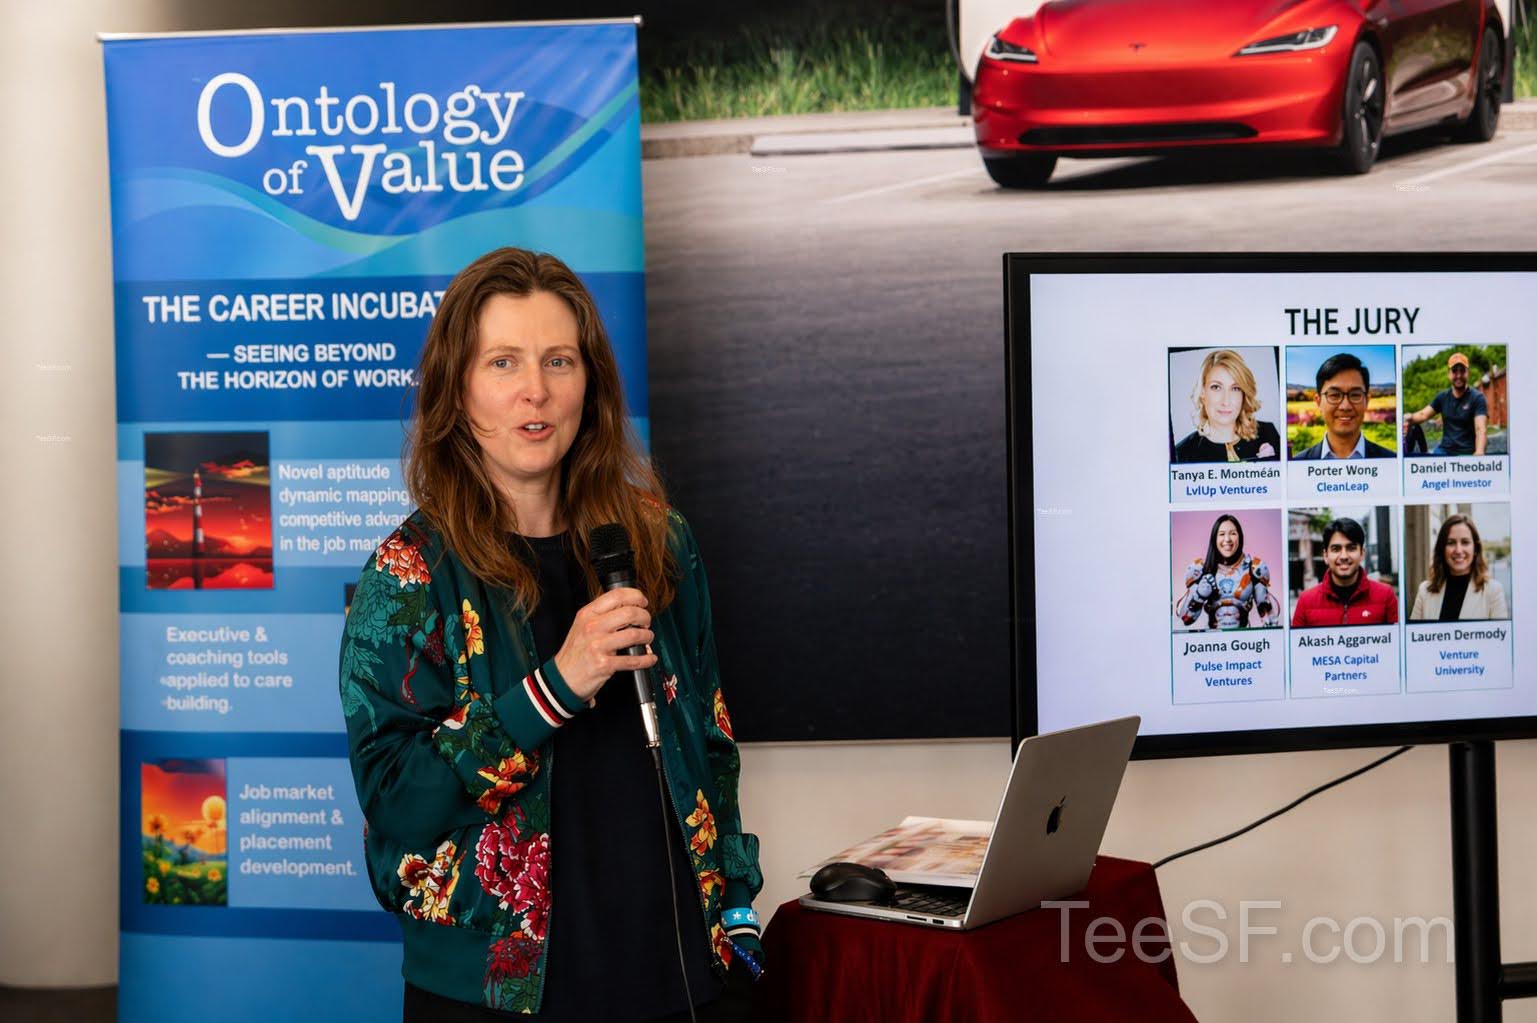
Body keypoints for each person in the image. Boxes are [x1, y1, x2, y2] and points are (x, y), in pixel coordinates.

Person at [339, 248, 762, 1022]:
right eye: (503, 361)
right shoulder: (408, 574)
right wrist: (553, 686)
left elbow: (711, 742)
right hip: (493, 989)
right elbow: (396, 802)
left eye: (558, 360)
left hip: (673, 965)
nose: (535, 389)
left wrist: (734, 898)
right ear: (458, 390)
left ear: (589, 383)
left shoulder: (657, 543)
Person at [1172, 349, 1282, 463]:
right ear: (1203, 392)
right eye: (1216, 387)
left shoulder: (1268, 433)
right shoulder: (1182, 454)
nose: (1226, 401)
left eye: (1235, 388)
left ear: (1243, 394)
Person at [1174, 514, 1278, 630]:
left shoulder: (1254, 569)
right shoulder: (1200, 570)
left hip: (1245, 642)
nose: (1227, 539)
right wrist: (1199, 596)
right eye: (1222, 534)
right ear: (1214, 538)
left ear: (1240, 537)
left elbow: (1271, 622)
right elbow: (1184, 620)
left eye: (1233, 533)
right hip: (1213, 644)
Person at [1291, 517, 1399, 627]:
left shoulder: (1386, 596)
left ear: (1362, 553)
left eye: (1351, 548)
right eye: (1336, 549)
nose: (1344, 556)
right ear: (1325, 555)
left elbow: (1397, 641)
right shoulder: (1306, 601)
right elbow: (1296, 643)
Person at [1291, 353, 1395, 460]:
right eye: (1334, 395)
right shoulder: (1298, 465)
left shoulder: (1391, 462)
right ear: (1318, 401)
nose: (1345, 406)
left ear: (1367, 401)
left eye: (1355, 395)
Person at [1410, 514, 1508, 621]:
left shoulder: (1493, 591)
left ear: (1475, 549)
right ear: (1442, 549)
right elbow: (1413, 636)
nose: (1458, 550)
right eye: (1451, 543)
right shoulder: (1424, 591)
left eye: (1465, 542)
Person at [1402, 352, 1488, 456]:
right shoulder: (1442, 397)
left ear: (1467, 373)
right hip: (1444, 451)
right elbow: (1423, 415)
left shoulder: (1477, 398)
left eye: (1462, 371)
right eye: (1455, 371)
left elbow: (1481, 429)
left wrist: (1479, 452)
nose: (1459, 375)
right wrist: (1408, 417)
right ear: (1449, 374)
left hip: (1467, 453)